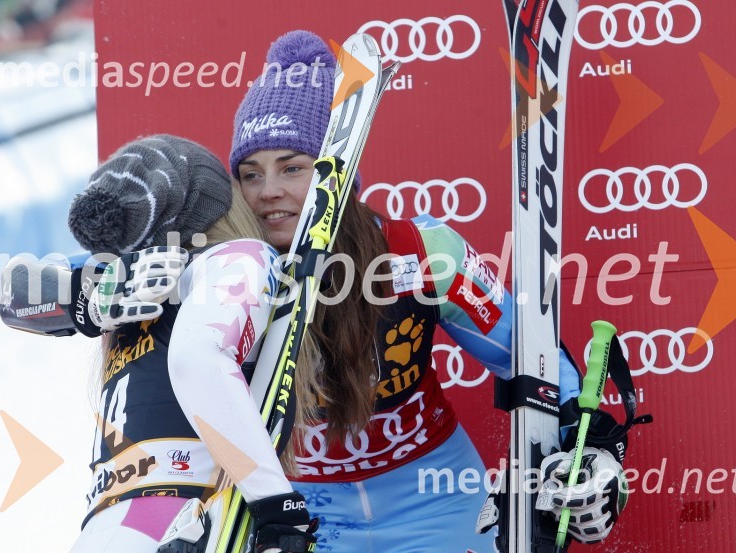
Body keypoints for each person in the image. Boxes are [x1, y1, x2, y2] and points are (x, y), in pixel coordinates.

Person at [222, 30, 633, 551]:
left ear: (338, 169)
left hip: (436, 496)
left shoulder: (420, 252)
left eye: (292, 167)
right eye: (250, 175)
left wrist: (581, 428)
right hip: (304, 512)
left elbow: (523, 353)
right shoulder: (227, 277)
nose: (269, 192)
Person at [6, 134, 320, 552]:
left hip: (105, 524)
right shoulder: (240, 257)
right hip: (181, 520)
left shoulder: (131, 298)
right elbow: (198, 360)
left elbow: (15, 292)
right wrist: (277, 506)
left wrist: (87, 297)